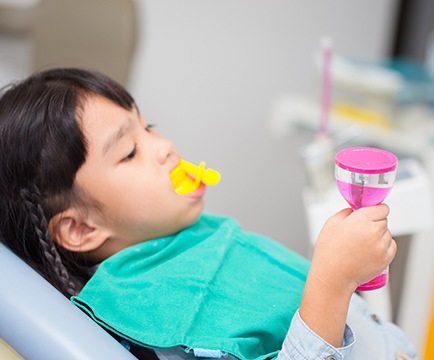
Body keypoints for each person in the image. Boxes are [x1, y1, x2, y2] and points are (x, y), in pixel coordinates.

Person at [0, 68, 417, 359]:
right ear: (79, 228)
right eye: (129, 152)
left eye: (148, 127)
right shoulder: (156, 319)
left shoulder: (190, 241)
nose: (163, 146)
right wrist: (333, 280)